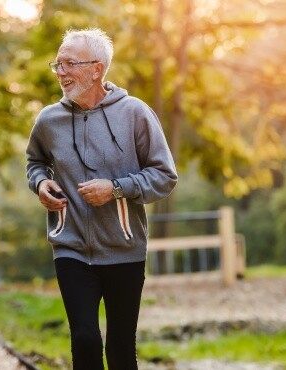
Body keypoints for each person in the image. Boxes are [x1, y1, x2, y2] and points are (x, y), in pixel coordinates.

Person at [26, 28, 178, 370]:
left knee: (121, 347)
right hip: (71, 247)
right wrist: (40, 184)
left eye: (69, 64)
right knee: (84, 338)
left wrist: (116, 188)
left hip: (124, 248)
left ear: (97, 68)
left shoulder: (135, 113)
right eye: (58, 64)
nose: (60, 73)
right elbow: (35, 162)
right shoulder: (49, 119)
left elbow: (165, 175)